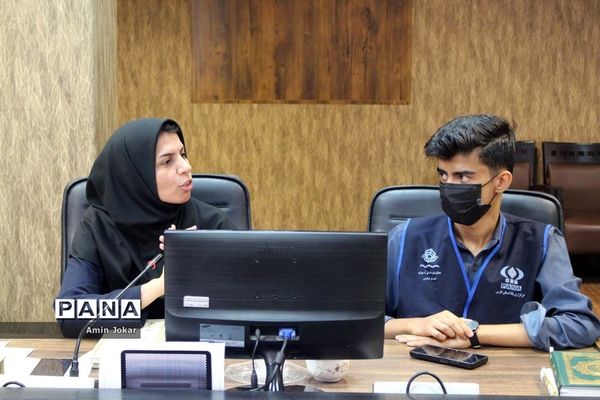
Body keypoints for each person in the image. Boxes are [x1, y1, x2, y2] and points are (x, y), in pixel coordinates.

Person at [385, 114, 600, 350]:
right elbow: (363, 319)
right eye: (443, 175)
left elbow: (580, 325)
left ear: (501, 182)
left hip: (506, 370)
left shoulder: (543, 241)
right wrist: (416, 324)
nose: (449, 187)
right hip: (415, 366)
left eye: (462, 177)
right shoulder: (405, 237)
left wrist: (474, 334)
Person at [57, 118, 236, 338]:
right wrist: (159, 287)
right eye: (167, 161)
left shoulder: (212, 224)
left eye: (183, 154)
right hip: (120, 350)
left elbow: (251, 305)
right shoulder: (97, 226)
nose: (186, 167)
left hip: (200, 347)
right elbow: (70, 316)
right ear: (136, 175)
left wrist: (206, 269)